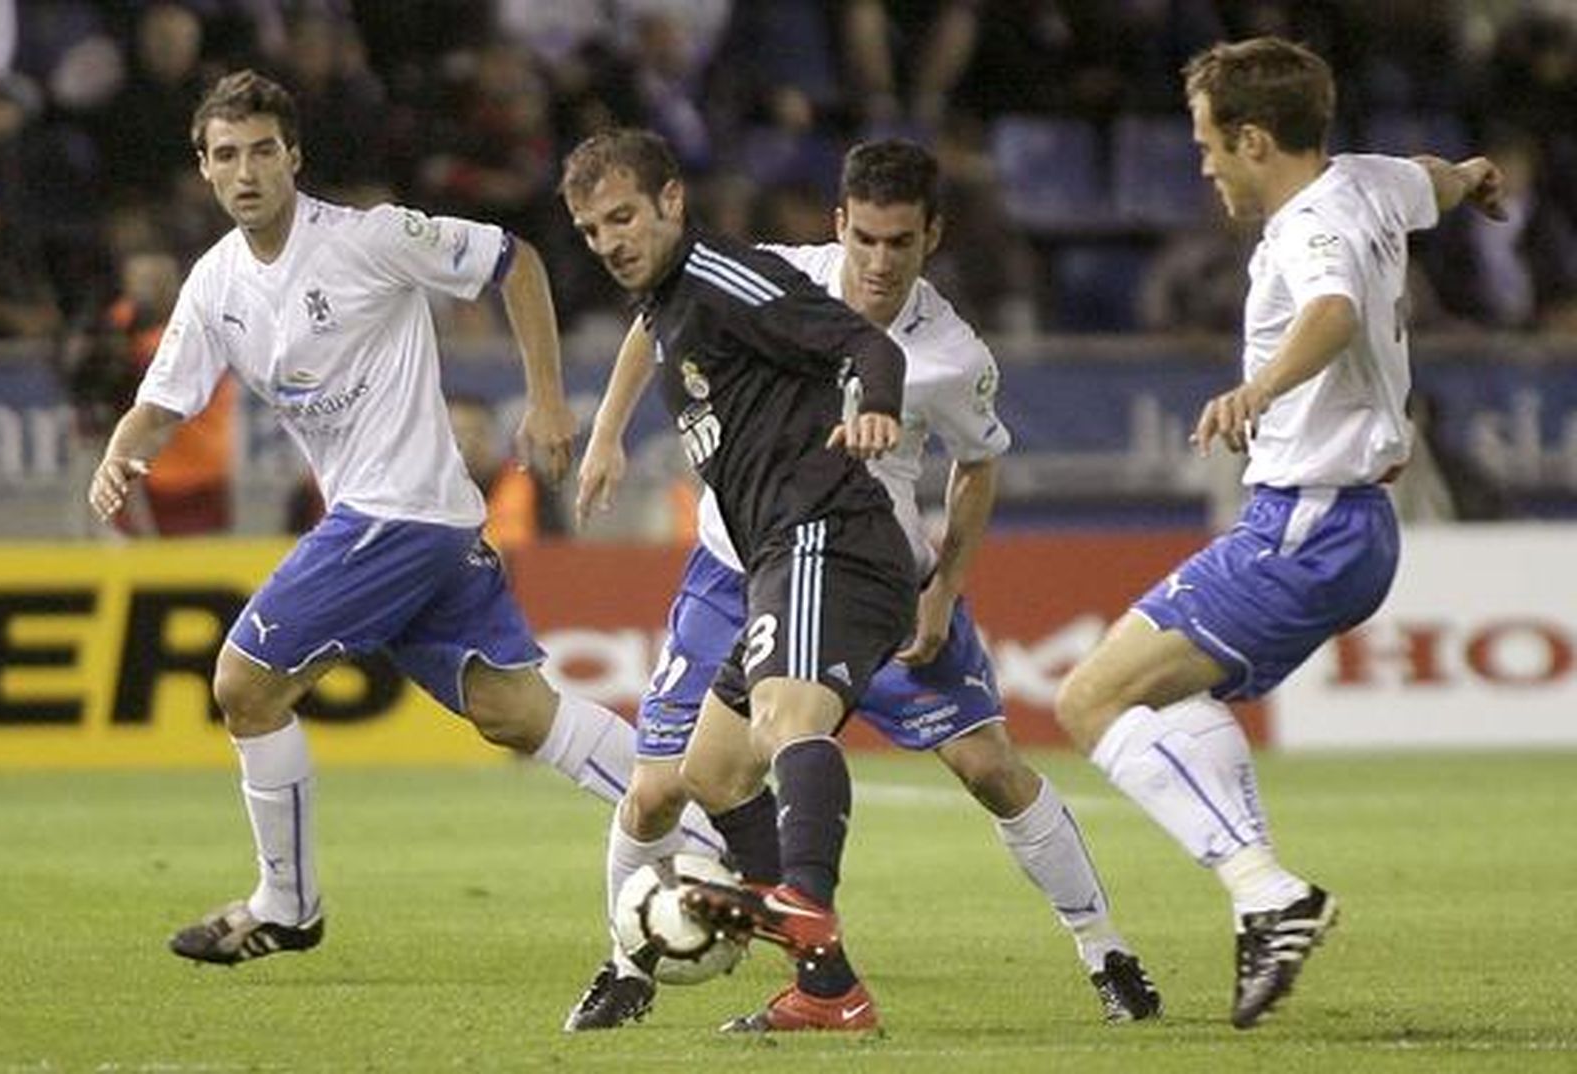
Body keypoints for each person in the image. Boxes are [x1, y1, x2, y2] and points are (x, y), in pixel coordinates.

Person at [86, 70, 712, 965]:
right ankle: (724, 842)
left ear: (293, 157)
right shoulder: (216, 282)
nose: (247, 171)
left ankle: (287, 904)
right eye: (227, 155)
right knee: (516, 712)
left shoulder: (368, 240)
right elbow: (163, 401)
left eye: (263, 151)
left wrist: (546, 399)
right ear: (205, 168)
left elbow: (516, 261)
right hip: (419, 523)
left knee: (244, 685)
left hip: (398, 513)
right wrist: (122, 452)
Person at [565, 138, 1162, 1032]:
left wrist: (944, 589)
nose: (879, 261)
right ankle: (767, 979)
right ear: (839, 225)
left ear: (931, 238)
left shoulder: (948, 352)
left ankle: (1100, 948)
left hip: (842, 551)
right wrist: (607, 435)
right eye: (865, 239)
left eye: (900, 243)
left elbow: (959, 447)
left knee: (978, 764)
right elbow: (656, 328)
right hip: (742, 564)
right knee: (694, 778)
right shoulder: (762, 275)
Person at [1050, 36, 1506, 1030]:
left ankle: (1270, 893)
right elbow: (1431, 178)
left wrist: (1256, 389)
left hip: (1310, 519)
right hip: (1343, 523)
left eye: (1208, 144)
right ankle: (1261, 899)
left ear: (1254, 140)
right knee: (1161, 698)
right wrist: (1472, 177)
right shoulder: (1371, 183)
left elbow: (1333, 311)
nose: (1203, 165)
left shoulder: (1310, 225)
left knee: (1090, 700)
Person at [561, 127, 919, 1032]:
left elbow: (867, 346)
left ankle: (802, 898)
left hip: (829, 536)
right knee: (712, 773)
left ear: (671, 202)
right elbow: (649, 341)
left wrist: (876, 408)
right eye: (592, 230)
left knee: (785, 718)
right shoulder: (667, 304)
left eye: (623, 218)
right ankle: (828, 991)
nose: (609, 243)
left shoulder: (724, 276)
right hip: (775, 558)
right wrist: (606, 434)